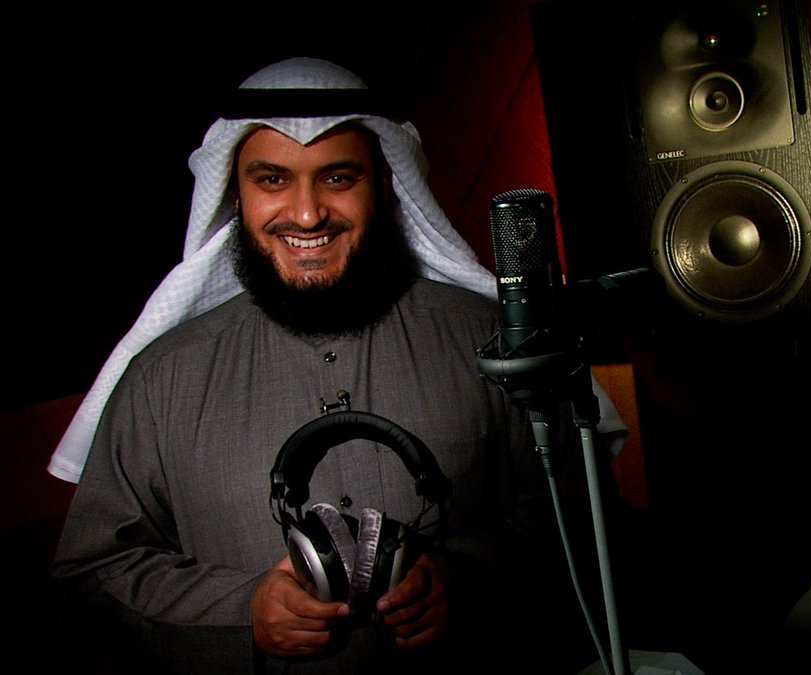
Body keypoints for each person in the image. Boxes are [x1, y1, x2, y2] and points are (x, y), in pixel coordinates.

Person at [51, 56, 624, 674]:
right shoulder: (161, 379)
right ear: (234, 194)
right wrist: (240, 612)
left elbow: (588, 520)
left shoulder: (491, 343)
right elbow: (97, 565)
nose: (307, 214)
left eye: (337, 178)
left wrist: (469, 577)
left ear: (385, 183)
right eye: (273, 180)